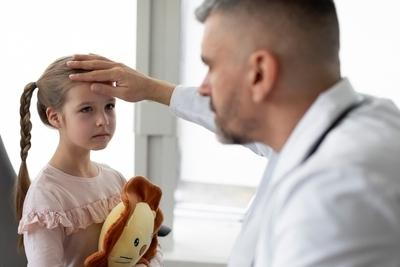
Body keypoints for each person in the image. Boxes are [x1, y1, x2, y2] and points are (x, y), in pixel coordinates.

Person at [67, 0, 400, 266]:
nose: (205, 88)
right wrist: (152, 89)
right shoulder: (362, 121)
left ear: (260, 73)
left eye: (211, 67)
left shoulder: (334, 194)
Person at [16, 56, 163, 267]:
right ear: (55, 117)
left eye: (109, 106)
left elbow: (147, 246)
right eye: (86, 109)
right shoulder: (47, 197)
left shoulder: (114, 179)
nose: (103, 120)